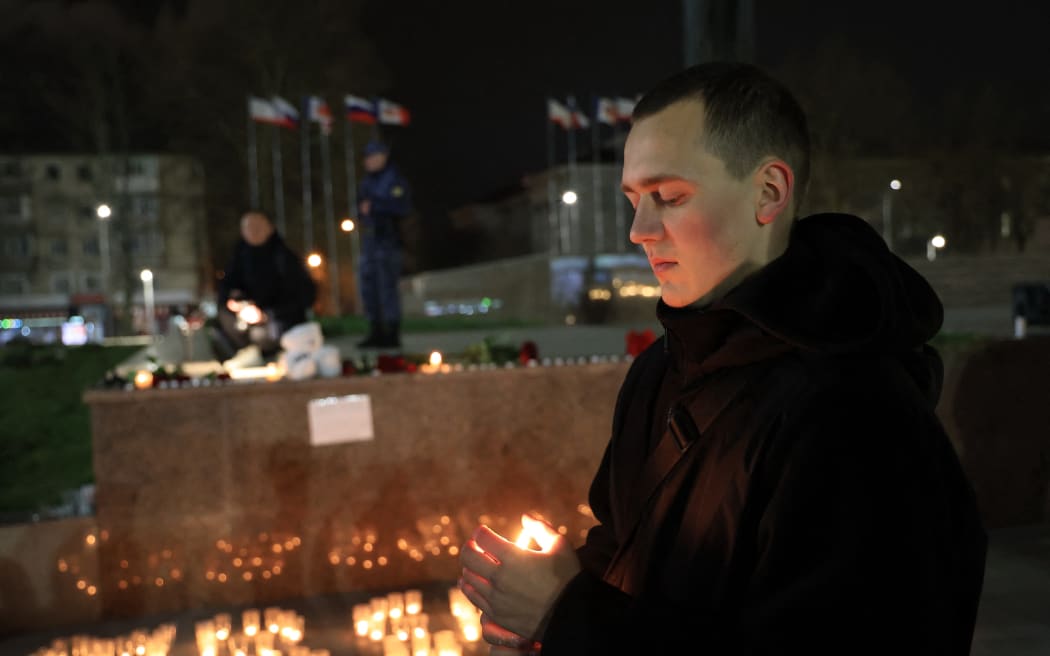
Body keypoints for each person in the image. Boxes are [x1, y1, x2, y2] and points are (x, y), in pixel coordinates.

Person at [459, 62, 987, 654]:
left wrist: (568, 614)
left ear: (769, 192)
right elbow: (625, 547)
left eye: (669, 196)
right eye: (633, 198)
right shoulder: (660, 369)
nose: (639, 230)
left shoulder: (860, 414)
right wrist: (546, 604)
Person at [211, 210, 317, 360]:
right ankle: (240, 355)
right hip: (244, 323)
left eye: (258, 226)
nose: (253, 231)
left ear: (271, 228)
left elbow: (305, 296)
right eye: (249, 227)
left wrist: (266, 314)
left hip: (278, 323)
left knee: (264, 336)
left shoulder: (285, 259)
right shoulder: (239, 257)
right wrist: (234, 303)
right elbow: (226, 288)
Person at [356, 140, 411, 349]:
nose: (369, 161)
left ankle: (391, 333)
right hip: (369, 240)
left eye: (373, 156)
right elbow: (359, 206)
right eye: (367, 157)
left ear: (383, 157)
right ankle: (376, 332)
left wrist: (376, 206)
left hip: (388, 240)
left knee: (387, 287)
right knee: (369, 287)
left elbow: (401, 207)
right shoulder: (367, 182)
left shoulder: (394, 180)